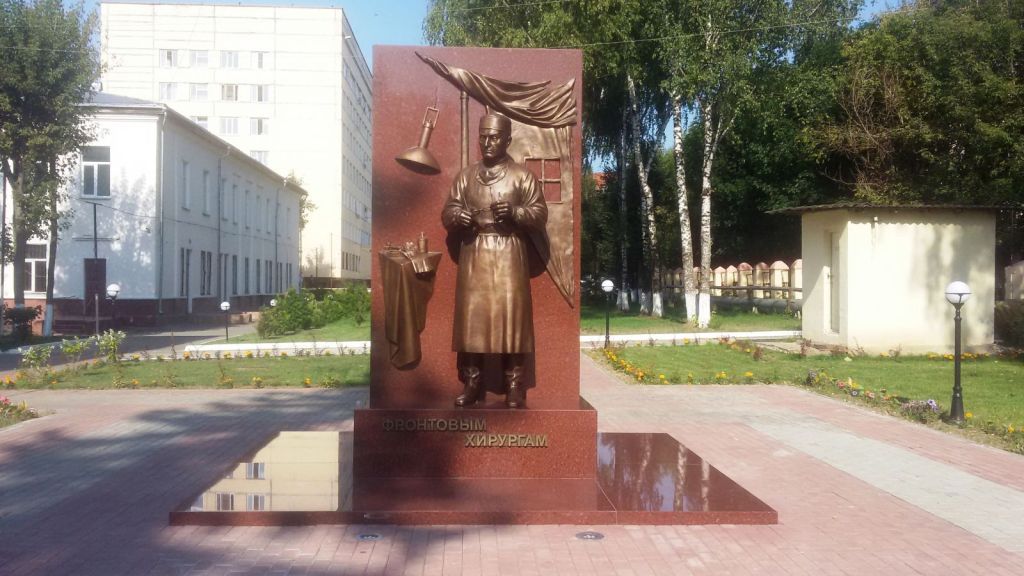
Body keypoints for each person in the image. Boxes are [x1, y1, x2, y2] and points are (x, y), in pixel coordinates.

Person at [441, 112, 547, 408]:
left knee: (512, 319)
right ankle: (472, 382)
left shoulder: (522, 177)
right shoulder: (465, 177)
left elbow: (540, 214)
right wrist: (458, 216)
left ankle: (514, 384)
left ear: (507, 140)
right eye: (483, 137)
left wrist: (515, 212)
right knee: (472, 319)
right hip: (474, 252)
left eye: (494, 137)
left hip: (509, 253)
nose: (487, 143)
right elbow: (448, 212)